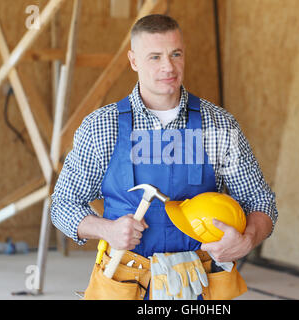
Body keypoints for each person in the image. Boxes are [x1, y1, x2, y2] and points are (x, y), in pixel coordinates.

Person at [51, 14, 278, 300]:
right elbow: (62, 204)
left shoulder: (218, 125)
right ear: (133, 61)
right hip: (125, 281)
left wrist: (247, 241)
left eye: (175, 54)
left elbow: (261, 202)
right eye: (155, 57)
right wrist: (106, 229)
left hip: (198, 285)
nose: (168, 67)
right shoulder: (102, 127)